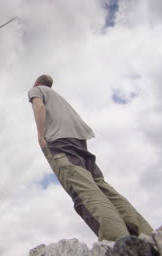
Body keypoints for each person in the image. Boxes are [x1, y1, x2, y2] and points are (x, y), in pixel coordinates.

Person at [28, 74, 153, 241]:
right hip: (80, 142)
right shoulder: (59, 99)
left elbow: (39, 107)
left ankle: (116, 241)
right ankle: (147, 236)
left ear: (37, 83)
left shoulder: (35, 90)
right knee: (102, 187)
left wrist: (40, 136)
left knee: (83, 190)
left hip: (59, 143)